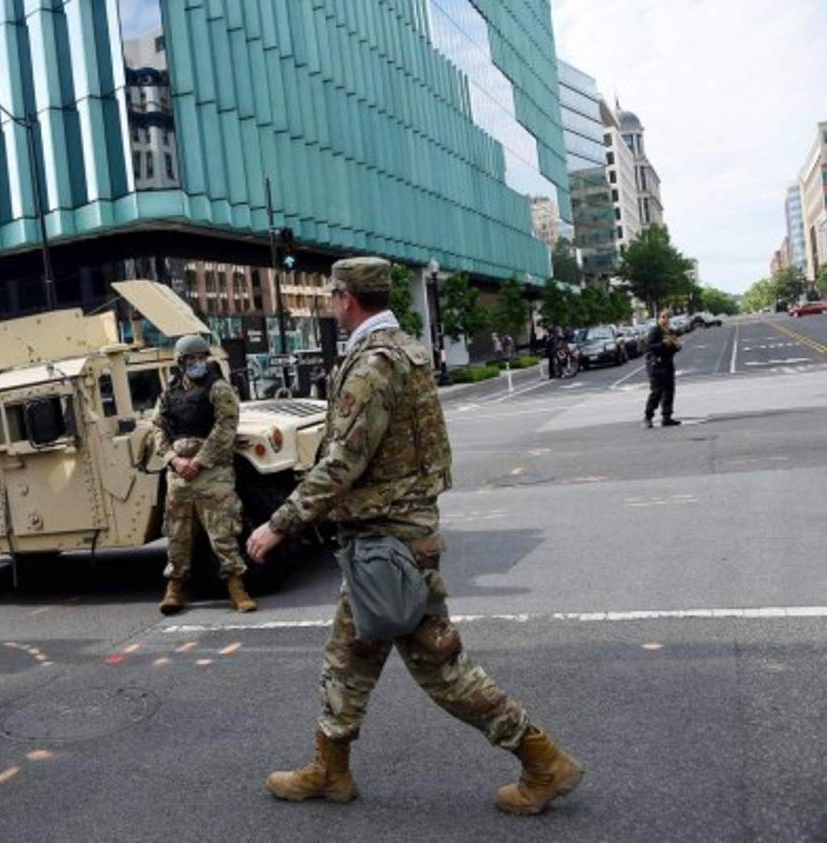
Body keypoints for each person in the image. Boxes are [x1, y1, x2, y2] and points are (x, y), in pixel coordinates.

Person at [247, 257, 582, 815]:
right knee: (347, 660)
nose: (331, 305)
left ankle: (543, 761)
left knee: (441, 668)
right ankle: (330, 770)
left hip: (390, 545)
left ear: (346, 298)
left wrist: (277, 524)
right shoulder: (404, 350)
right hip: (384, 541)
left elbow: (343, 462)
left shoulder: (373, 364)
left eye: (332, 296)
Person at [150, 334, 257, 615]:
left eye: (201, 357)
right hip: (179, 473)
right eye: (191, 359)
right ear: (180, 362)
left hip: (212, 472)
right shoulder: (169, 393)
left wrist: (198, 462)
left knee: (223, 531)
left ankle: (237, 587)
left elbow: (226, 427)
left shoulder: (218, 388)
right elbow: (158, 428)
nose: (198, 362)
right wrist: (173, 459)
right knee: (177, 532)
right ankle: (175, 587)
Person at [644, 310, 681, 428]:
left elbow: (676, 346)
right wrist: (663, 343)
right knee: (657, 391)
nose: (666, 319)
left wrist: (675, 345)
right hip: (656, 364)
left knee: (669, 391)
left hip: (667, 363)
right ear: (658, 319)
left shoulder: (671, 332)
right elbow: (648, 347)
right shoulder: (655, 331)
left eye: (668, 317)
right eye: (663, 317)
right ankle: (648, 417)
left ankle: (667, 417)